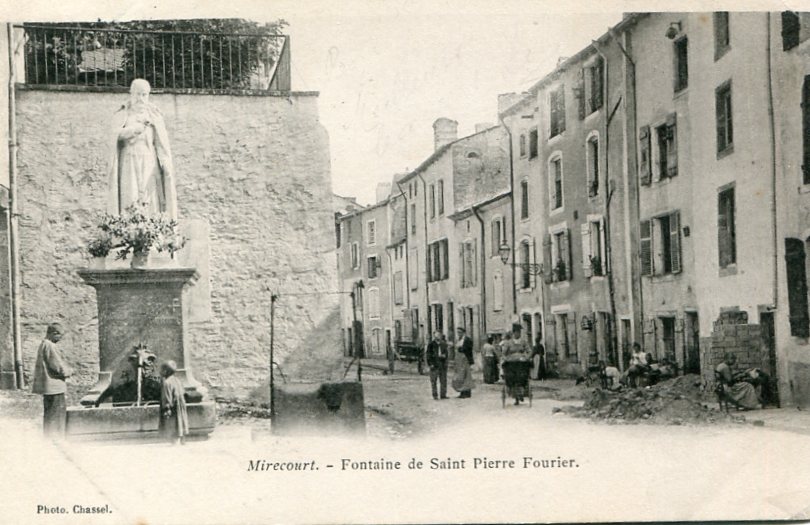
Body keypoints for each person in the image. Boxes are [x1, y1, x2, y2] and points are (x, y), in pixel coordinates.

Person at [108, 78, 177, 220]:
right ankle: (128, 232)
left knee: (149, 196)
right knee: (130, 195)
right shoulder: (123, 114)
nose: (140, 98)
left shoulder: (154, 116)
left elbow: (160, 143)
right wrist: (135, 129)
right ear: (131, 94)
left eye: (144, 95)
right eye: (137, 94)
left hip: (148, 159)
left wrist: (165, 163)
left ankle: (150, 231)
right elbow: (115, 135)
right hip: (128, 159)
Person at [31, 323, 73, 438]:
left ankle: (49, 437)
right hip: (54, 387)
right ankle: (56, 438)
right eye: (60, 336)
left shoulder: (43, 344)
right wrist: (68, 372)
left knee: (49, 414)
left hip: (49, 387)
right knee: (56, 414)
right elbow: (57, 365)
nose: (60, 339)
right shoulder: (50, 346)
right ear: (54, 334)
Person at [159, 360, 189, 444]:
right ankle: (183, 439)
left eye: (161, 370)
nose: (160, 372)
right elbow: (182, 392)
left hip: (173, 406)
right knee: (181, 420)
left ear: (165, 371)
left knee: (173, 423)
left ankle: (174, 442)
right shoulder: (177, 380)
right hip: (180, 404)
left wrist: (167, 408)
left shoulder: (166, 383)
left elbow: (167, 397)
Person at [425, 331, 448, 400]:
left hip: (442, 364)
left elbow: (446, 353)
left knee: (443, 380)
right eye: (437, 335)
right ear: (434, 336)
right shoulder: (431, 344)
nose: (438, 336)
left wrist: (445, 356)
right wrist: (430, 364)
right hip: (434, 364)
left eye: (439, 335)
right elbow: (428, 355)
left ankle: (443, 395)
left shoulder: (443, 344)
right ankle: (435, 395)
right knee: (434, 380)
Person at [452, 327, 474, 399]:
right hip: (460, 360)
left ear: (463, 332)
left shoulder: (467, 340)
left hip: (465, 359)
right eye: (458, 332)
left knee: (466, 376)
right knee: (461, 376)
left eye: (460, 332)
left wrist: (460, 349)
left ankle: (467, 392)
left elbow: (468, 349)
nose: (458, 334)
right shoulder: (459, 340)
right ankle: (462, 391)